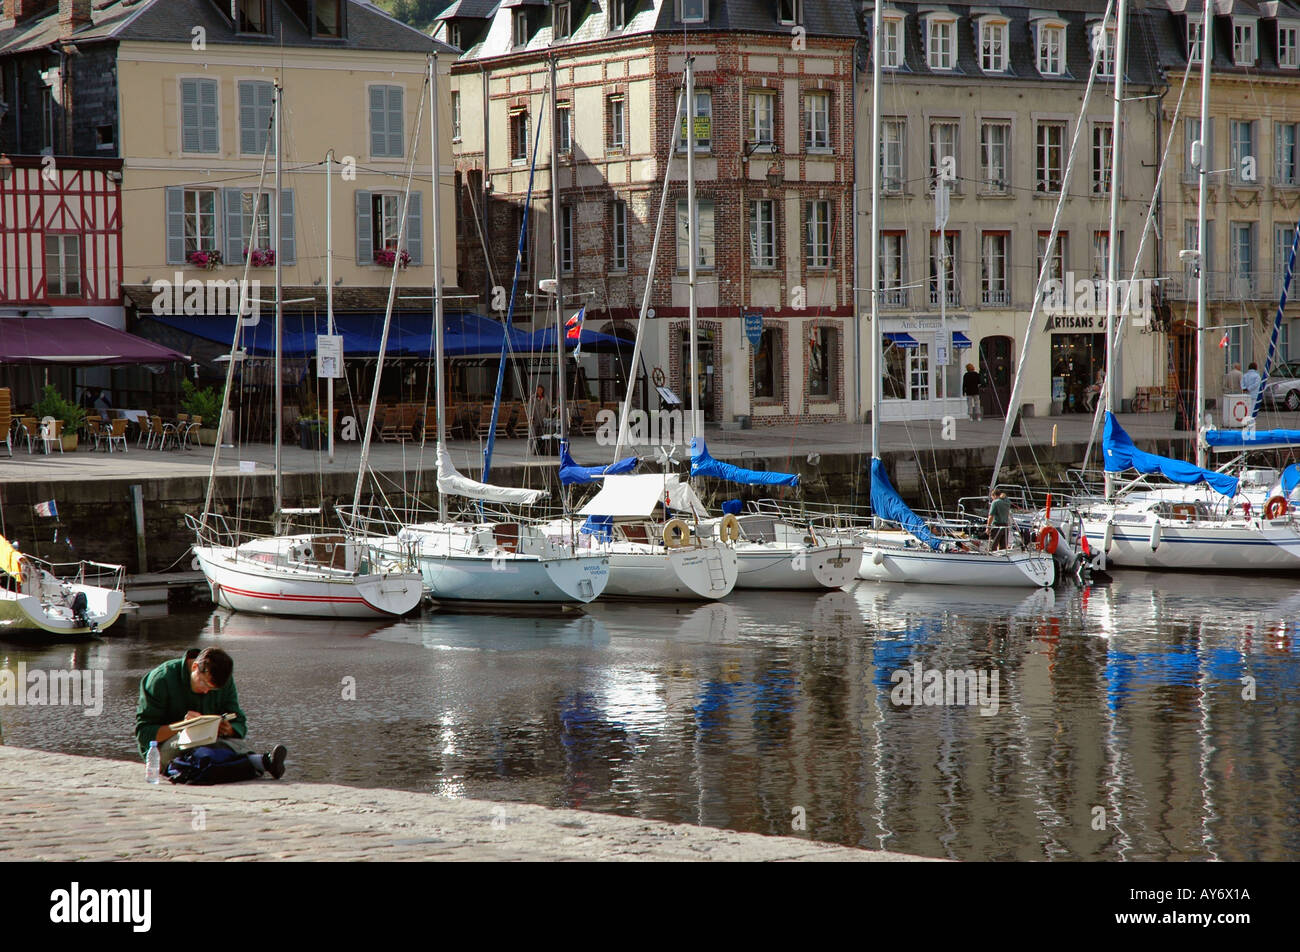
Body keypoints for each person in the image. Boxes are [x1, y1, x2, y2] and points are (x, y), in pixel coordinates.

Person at [135, 647, 286, 779]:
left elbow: (239, 721)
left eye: (213, 689)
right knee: (200, 748)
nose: (207, 691)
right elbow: (144, 734)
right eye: (204, 684)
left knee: (228, 743)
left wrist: (230, 729)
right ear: (194, 667)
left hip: (210, 740)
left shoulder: (222, 681)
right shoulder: (161, 680)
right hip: (164, 749)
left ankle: (261, 762)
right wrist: (182, 726)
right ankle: (260, 762)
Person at [527, 385, 551, 456]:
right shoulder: (532, 398)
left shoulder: (545, 398)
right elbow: (529, 408)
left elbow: (549, 408)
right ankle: (531, 449)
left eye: (541, 390)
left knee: (541, 436)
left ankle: (540, 449)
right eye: (538, 390)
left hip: (542, 420)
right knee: (532, 435)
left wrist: (554, 411)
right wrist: (530, 416)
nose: (539, 391)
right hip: (534, 420)